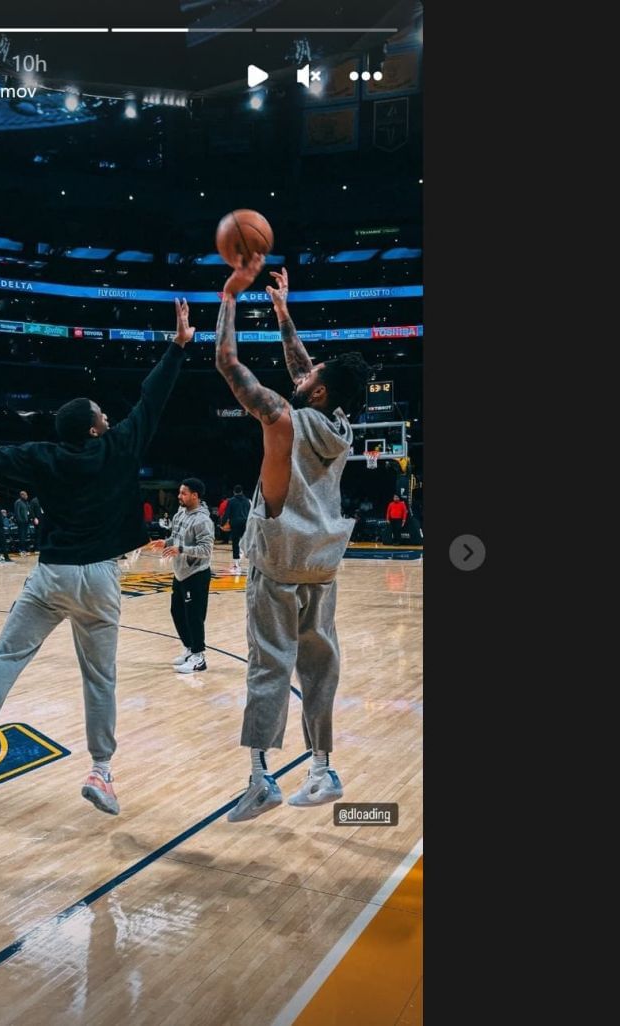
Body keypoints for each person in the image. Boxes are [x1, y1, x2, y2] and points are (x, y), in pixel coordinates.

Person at [0, 297, 195, 816]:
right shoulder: (118, 446)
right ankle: (100, 772)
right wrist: (178, 347)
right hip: (100, 579)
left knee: (5, 660)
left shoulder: (43, 456)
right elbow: (153, 398)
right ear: (96, 428)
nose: (108, 416)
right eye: (102, 414)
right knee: (100, 679)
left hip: (51, 576)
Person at [213, 260, 372, 822]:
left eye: (310, 377)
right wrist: (282, 313)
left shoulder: (282, 418)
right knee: (319, 667)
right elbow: (308, 372)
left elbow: (227, 363)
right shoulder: (342, 429)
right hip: (321, 565)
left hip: (279, 562)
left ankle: (260, 779)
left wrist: (231, 298)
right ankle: (323, 769)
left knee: (268, 666)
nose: (300, 376)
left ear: (318, 389)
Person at [163, 477, 215, 673]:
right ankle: (189, 649)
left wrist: (181, 549)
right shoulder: (180, 514)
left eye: (184, 493)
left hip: (196, 574)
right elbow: (175, 538)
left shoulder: (202, 520)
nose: (179, 496)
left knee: (194, 616)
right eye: (180, 492)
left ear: (195, 496)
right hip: (180, 573)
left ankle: (199, 657)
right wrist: (166, 543)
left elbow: (206, 550)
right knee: (176, 612)